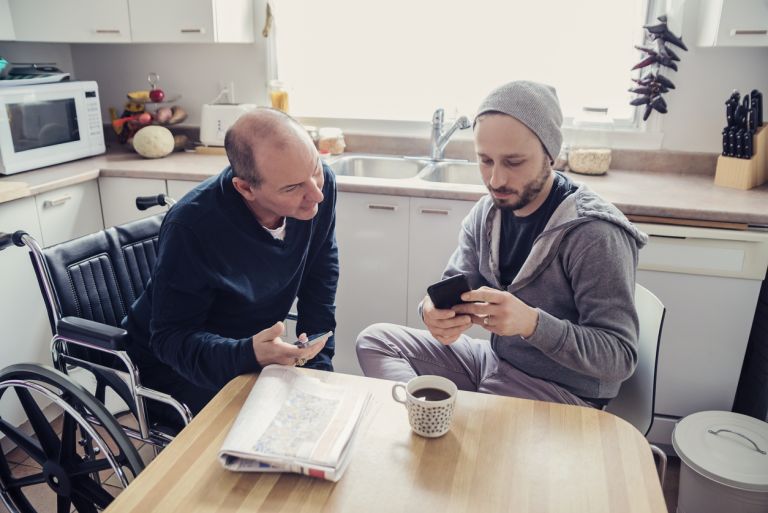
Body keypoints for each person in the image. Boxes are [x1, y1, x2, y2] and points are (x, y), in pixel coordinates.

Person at [356, 81, 647, 408]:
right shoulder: (487, 214)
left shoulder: (594, 234)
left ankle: (455, 430)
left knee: (474, 423)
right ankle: (435, 421)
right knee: (375, 341)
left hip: (562, 392)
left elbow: (619, 357)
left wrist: (532, 324)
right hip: (495, 363)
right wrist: (431, 311)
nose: (495, 181)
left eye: (513, 162)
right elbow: (452, 287)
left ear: (550, 155)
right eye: (485, 161)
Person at [123, 108, 339, 418]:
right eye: (292, 188)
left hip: (254, 351)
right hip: (176, 368)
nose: (316, 195)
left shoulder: (318, 185)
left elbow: (321, 267)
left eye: (315, 169)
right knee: (265, 426)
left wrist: (318, 359)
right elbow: (171, 339)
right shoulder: (192, 226)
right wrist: (247, 353)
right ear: (246, 188)